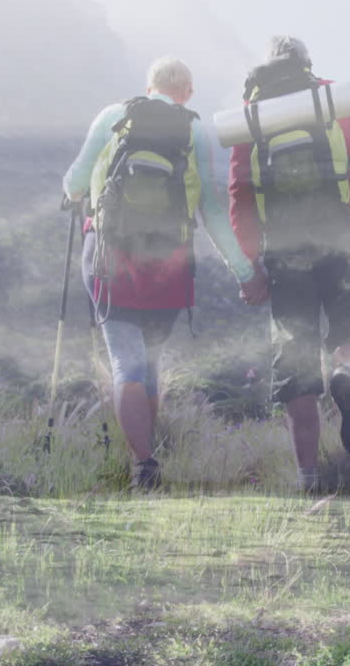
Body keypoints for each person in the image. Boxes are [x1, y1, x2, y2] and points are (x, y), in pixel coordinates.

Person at [63, 57, 263, 491]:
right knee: (149, 365)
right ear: (187, 92)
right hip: (169, 264)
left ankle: (143, 464)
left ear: (148, 86)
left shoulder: (112, 116)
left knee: (127, 364)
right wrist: (244, 271)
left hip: (110, 257)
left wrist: (77, 193)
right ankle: (147, 458)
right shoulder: (194, 129)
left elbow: (75, 181)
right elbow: (211, 210)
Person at [228, 36, 350, 492]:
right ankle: (346, 374)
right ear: (307, 64)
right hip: (340, 231)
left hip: (284, 245)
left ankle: (308, 480)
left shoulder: (251, 117)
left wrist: (251, 264)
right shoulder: (333, 100)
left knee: (296, 358)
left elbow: (240, 196)